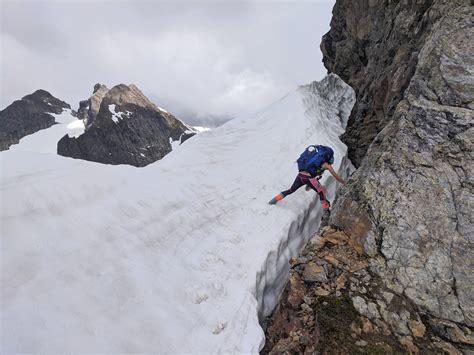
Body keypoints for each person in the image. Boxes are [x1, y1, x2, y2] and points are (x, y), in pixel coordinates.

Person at [268, 145, 346, 215]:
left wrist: (309, 185)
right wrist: (343, 182)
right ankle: (326, 212)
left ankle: (273, 200)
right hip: (309, 179)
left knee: (290, 190)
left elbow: (310, 177)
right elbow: (336, 176)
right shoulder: (327, 165)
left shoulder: (314, 161)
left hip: (300, 176)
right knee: (321, 192)